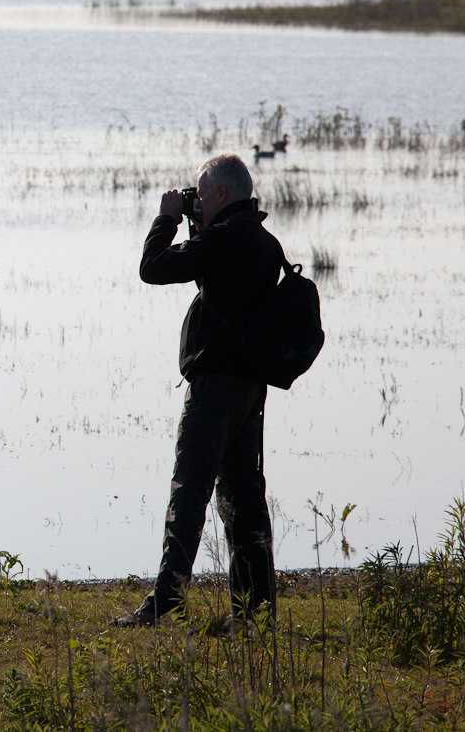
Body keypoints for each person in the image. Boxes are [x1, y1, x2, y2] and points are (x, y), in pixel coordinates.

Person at [113, 153, 285, 628]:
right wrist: (196, 225)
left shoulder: (223, 239)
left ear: (222, 195)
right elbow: (216, 278)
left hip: (214, 390)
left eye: (201, 191)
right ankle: (255, 609)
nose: (196, 199)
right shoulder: (263, 243)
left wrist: (166, 219)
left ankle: (166, 600)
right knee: (242, 496)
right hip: (250, 391)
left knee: (190, 490)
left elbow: (154, 267)